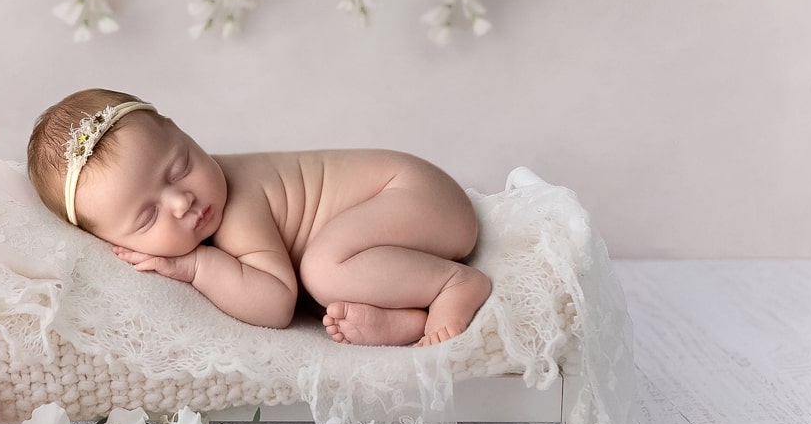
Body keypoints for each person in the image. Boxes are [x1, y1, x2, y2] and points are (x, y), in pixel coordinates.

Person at [27, 88, 491, 347]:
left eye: (181, 166)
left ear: (180, 130)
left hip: (418, 195)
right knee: (330, 280)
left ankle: (453, 284)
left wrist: (197, 267)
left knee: (324, 268)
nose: (182, 202)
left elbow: (275, 304)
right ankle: (408, 318)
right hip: (400, 224)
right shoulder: (196, 203)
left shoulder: (236, 205)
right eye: (148, 216)